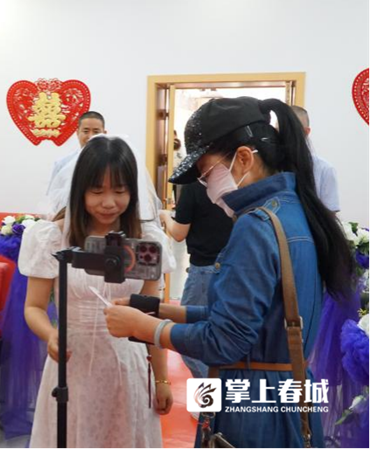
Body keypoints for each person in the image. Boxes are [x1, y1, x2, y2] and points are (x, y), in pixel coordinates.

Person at [105, 97, 354, 448]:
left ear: (244, 158)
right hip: (283, 391)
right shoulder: (291, 209)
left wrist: (144, 328)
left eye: (206, 173)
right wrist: (157, 309)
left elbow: (225, 341)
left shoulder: (256, 226)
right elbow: (244, 319)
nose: (206, 187)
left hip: (251, 403)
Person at [20, 135, 175, 448]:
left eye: (119, 191)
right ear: (80, 190)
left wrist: (161, 379)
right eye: (96, 191)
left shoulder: (146, 242)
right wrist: (50, 334)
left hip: (126, 367)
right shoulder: (53, 238)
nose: (108, 202)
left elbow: (151, 316)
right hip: (72, 366)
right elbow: (33, 307)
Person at [160, 180, 233, 381]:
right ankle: (215, 397)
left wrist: (165, 217)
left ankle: (213, 398)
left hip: (203, 272)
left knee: (188, 343)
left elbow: (178, 234)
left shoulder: (192, 187)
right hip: (232, 270)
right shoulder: (233, 183)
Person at [45, 111, 106, 197]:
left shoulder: (114, 162)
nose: (90, 136)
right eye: (86, 131)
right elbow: (51, 197)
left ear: (104, 134)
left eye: (96, 132)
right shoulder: (62, 164)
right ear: (77, 133)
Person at [291, 105, 340, 212]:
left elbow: (330, 215)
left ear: (306, 132)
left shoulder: (324, 169)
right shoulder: (268, 167)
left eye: (292, 130)